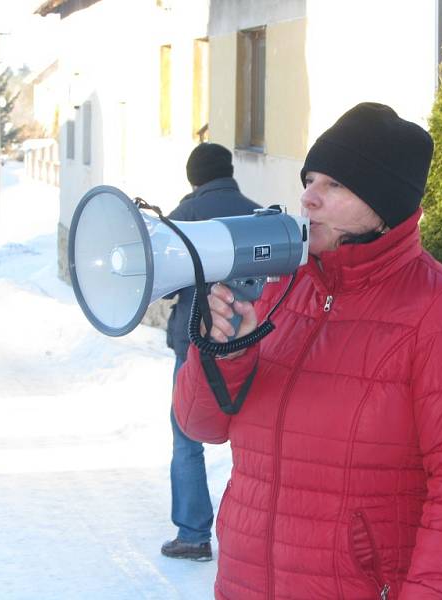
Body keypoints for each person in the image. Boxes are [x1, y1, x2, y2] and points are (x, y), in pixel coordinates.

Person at [174, 103, 442, 598]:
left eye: (334, 185)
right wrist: (223, 353)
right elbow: (201, 425)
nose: (308, 198)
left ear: (383, 203)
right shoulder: (283, 290)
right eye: (310, 179)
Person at [161, 142, 261, 561]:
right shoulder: (259, 215)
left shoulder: (184, 219)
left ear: (194, 178)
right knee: (256, 441)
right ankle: (254, 538)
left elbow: (164, 279)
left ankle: (194, 534)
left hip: (197, 347)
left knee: (187, 436)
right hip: (255, 345)